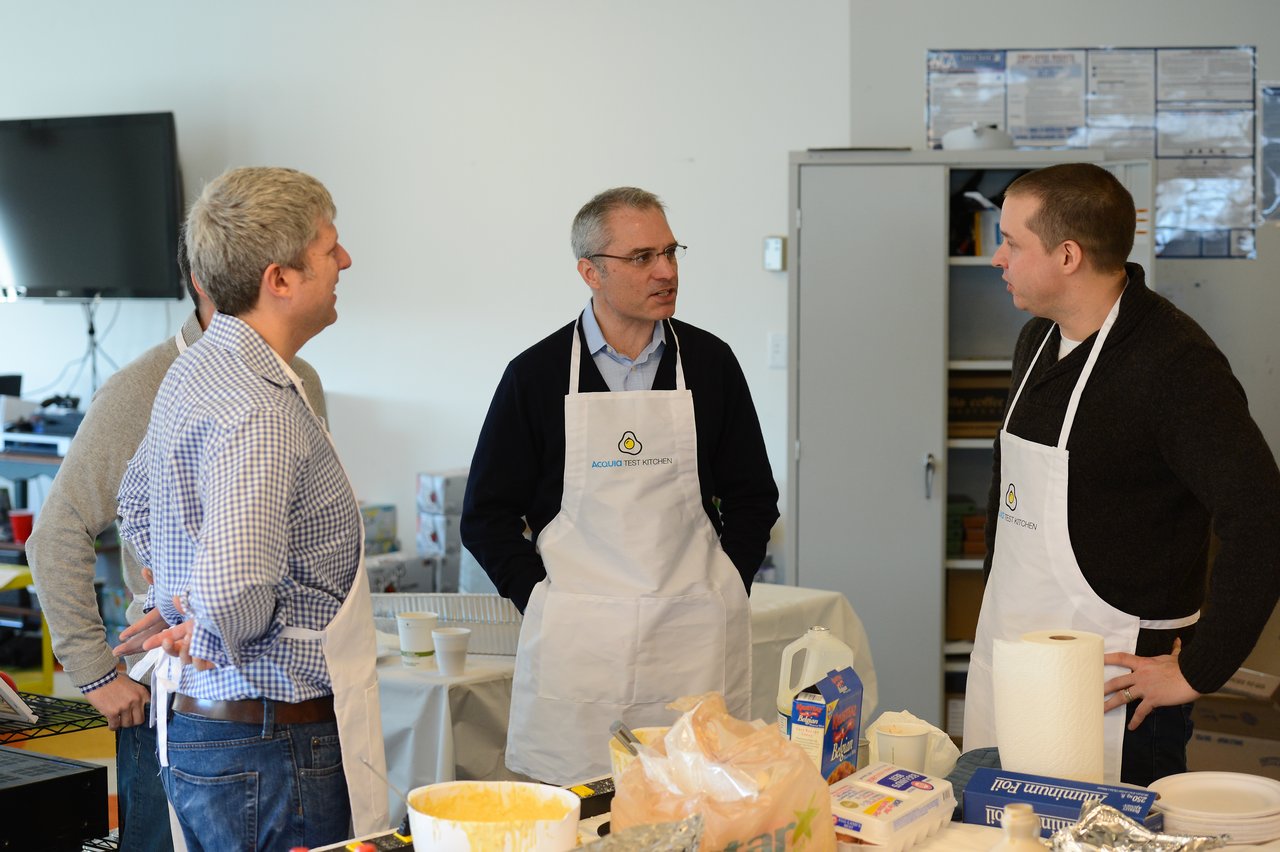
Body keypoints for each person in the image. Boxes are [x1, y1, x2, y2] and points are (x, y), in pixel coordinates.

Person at [963, 162, 1280, 786]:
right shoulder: (1036, 340)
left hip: (1121, 679)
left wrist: (1198, 670)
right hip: (1020, 643)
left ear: (1068, 255)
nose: (997, 258)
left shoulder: (1173, 364)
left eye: (1012, 242)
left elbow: (1262, 514)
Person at [461, 186, 779, 785]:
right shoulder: (536, 375)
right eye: (641, 258)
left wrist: (728, 583)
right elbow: (486, 515)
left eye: (670, 251)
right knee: (584, 816)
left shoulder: (711, 364)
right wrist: (543, 600)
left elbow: (753, 496)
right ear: (590, 272)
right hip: (580, 650)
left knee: (696, 805)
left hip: (694, 639)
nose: (665, 271)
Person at [116, 166, 387, 851]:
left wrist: (180, 605)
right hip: (269, 742)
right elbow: (235, 586)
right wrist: (206, 624)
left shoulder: (199, 367)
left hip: (218, 735)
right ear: (280, 279)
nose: (345, 260)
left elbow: (135, 504)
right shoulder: (259, 410)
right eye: (330, 248)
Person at [26, 235, 327, 852]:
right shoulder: (144, 388)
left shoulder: (300, 380)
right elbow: (56, 533)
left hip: (283, 695)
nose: (340, 262)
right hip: (181, 700)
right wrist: (93, 672)